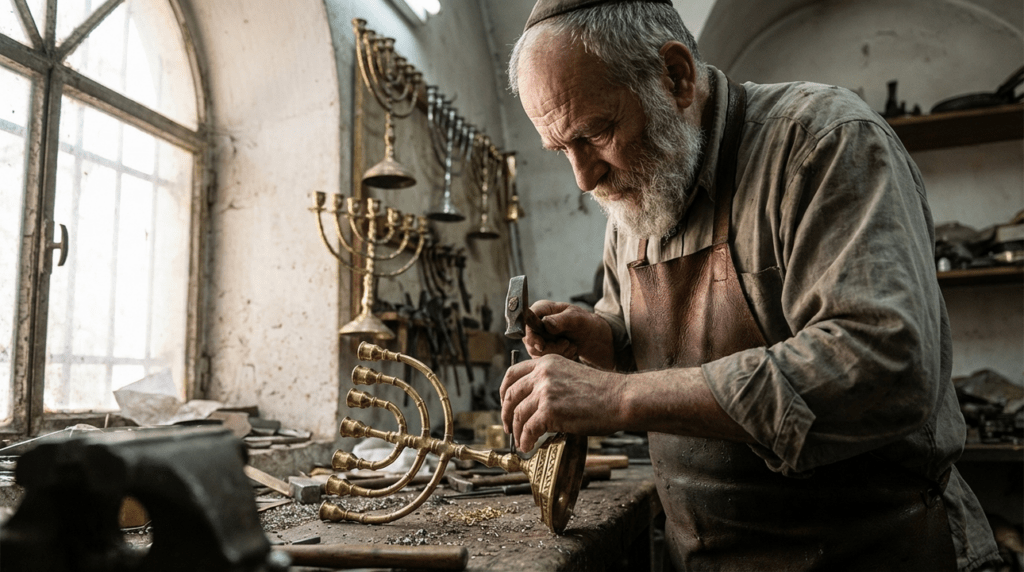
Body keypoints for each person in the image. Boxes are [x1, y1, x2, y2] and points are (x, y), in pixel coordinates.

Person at [499, 0, 1001, 570]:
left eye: (596, 132)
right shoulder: (635, 194)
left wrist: (617, 398)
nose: (585, 177)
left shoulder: (823, 143)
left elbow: (883, 362)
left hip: (872, 552)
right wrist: (610, 342)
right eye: (561, 149)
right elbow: (648, 341)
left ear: (676, 76)